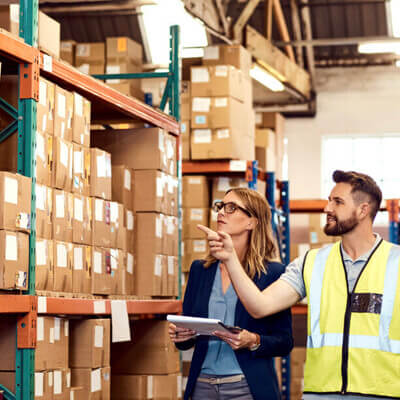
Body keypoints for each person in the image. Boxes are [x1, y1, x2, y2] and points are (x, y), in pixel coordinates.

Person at [199, 170, 400, 399]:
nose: (327, 208)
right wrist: (230, 258)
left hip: (383, 394)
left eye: (338, 202)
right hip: (321, 393)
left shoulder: (397, 263)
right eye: (328, 200)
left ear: (363, 210)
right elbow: (259, 306)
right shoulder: (311, 262)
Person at [169, 187, 293, 400]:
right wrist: (181, 336)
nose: (221, 212)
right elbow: (187, 337)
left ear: (252, 222)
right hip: (202, 386)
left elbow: (284, 341)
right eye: (220, 206)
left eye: (231, 208)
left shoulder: (272, 273)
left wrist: (253, 340)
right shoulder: (201, 270)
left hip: (246, 387)